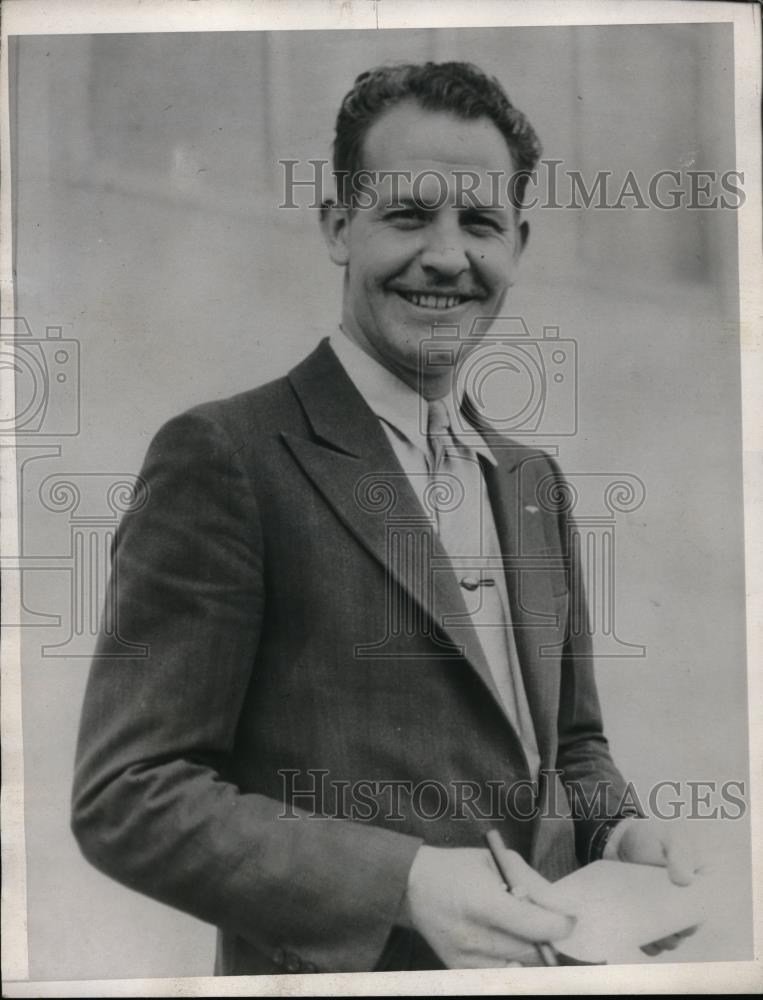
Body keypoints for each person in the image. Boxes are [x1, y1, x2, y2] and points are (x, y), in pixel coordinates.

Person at [71, 61, 700, 975]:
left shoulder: (532, 481)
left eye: (480, 223)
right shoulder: (227, 457)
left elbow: (570, 746)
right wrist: (402, 880)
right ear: (337, 225)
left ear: (517, 246)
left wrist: (617, 834)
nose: (447, 255)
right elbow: (127, 795)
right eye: (407, 214)